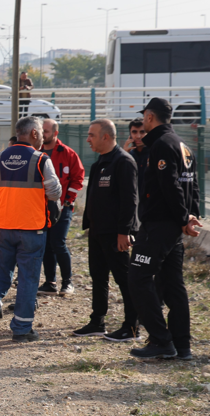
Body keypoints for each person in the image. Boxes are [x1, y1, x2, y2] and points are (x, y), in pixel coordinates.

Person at [0, 116, 62, 342]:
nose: (43, 136)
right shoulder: (41, 159)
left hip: (3, 227)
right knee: (28, 279)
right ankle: (22, 329)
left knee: (0, 275)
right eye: (41, 132)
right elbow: (54, 193)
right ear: (33, 133)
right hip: (32, 228)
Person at [127, 98, 201, 360]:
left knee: (137, 277)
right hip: (172, 227)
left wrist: (184, 218)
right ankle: (182, 346)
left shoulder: (161, 145)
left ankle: (161, 340)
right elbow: (193, 184)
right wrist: (193, 215)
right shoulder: (182, 145)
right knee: (172, 284)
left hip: (160, 225)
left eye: (144, 117)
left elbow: (171, 185)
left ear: (149, 116)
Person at [76, 119, 141, 341]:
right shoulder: (100, 163)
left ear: (106, 136)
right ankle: (97, 321)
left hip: (115, 233)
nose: (87, 139)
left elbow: (130, 200)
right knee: (98, 276)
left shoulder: (123, 162)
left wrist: (124, 231)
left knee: (124, 279)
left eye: (91, 135)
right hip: (97, 231)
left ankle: (132, 326)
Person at [38, 119, 84, 296]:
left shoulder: (68, 154)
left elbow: (78, 177)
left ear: (56, 133)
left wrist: (68, 200)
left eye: (46, 131)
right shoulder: (37, 153)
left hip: (63, 206)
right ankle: (50, 282)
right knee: (47, 244)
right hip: (42, 207)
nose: (43, 134)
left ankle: (67, 282)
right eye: (42, 131)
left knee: (58, 243)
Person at [125, 118, 149, 216]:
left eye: (142, 132)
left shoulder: (154, 152)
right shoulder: (128, 154)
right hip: (133, 202)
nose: (138, 136)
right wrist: (123, 155)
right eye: (134, 132)